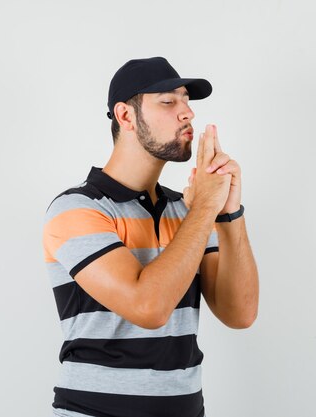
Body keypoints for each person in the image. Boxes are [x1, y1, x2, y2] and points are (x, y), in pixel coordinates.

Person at [42, 57, 259, 417]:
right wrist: (205, 207)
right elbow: (149, 307)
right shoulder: (76, 209)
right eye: (168, 101)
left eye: (186, 100)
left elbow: (241, 314)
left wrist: (228, 213)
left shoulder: (186, 211)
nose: (187, 113)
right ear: (126, 116)